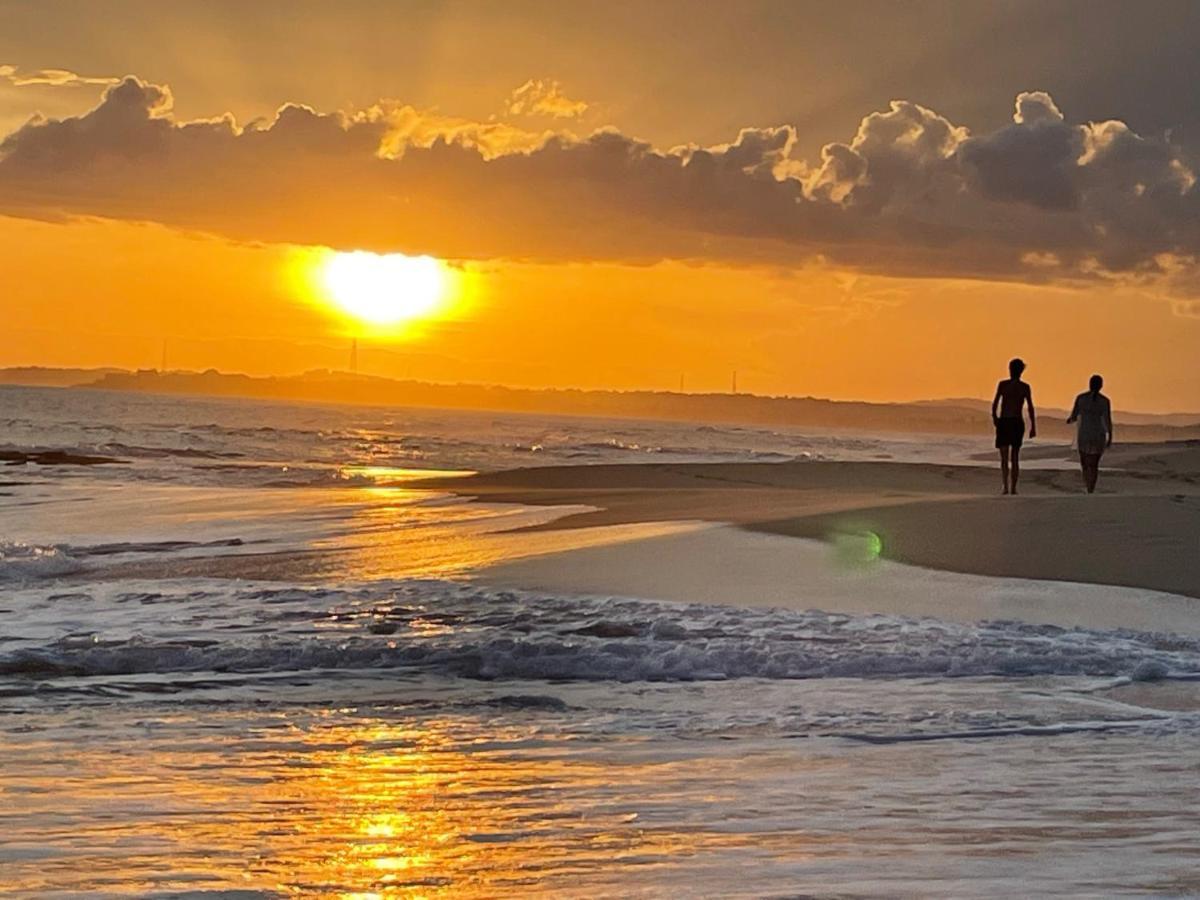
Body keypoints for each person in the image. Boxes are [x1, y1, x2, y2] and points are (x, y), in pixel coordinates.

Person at [991, 358, 1036, 495]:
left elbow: (995, 404)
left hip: (1007, 421)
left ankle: (1006, 486)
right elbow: (1030, 408)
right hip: (1014, 422)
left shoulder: (1004, 385)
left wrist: (995, 417)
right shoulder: (1023, 387)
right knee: (1014, 456)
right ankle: (1011, 487)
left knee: (1006, 456)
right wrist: (1033, 425)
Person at [1067, 374, 1113, 493]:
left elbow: (1074, 416)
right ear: (1101, 386)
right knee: (1094, 463)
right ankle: (1091, 487)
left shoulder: (1081, 398)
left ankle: (1088, 484)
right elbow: (1107, 419)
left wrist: (1069, 420)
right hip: (1098, 433)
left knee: (1085, 461)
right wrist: (1110, 436)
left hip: (1084, 433)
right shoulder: (1105, 401)